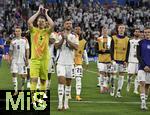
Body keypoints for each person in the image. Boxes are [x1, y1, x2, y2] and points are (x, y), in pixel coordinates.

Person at [27, 5, 54, 106]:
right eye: (39, 21)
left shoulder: (47, 32)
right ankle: (33, 100)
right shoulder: (33, 31)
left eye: (43, 21)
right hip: (34, 60)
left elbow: (52, 25)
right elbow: (29, 22)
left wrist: (46, 14)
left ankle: (42, 99)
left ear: (45, 23)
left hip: (44, 60)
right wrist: (38, 12)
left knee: (43, 80)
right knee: (33, 79)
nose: (41, 22)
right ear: (37, 23)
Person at [55, 17, 79, 110]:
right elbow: (56, 46)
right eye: (67, 23)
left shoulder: (75, 36)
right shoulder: (59, 34)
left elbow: (76, 47)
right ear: (64, 25)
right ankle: (60, 104)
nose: (69, 25)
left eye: (70, 24)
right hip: (60, 62)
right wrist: (62, 39)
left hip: (70, 63)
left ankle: (66, 103)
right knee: (61, 81)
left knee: (68, 83)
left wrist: (68, 40)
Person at [110, 24, 130, 97]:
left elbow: (128, 51)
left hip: (123, 61)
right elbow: (111, 49)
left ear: (124, 29)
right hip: (115, 60)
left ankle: (118, 92)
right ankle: (112, 87)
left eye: (123, 28)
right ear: (118, 29)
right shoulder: (114, 38)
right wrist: (112, 59)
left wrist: (126, 61)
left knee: (121, 76)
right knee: (113, 75)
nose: (121, 29)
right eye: (120, 28)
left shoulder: (127, 39)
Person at [9, 26, 29, 96]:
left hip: (22, 61)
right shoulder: (12, 41)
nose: (17, 32)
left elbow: (27, 50)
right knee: (14, 74)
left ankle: (22, 88)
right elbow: (11, 51)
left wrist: (27, 59)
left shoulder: (25, 40)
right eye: (16, 31)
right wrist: (10, 58)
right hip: (14, 60)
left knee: (23, 76)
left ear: (21, 32)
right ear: (15, 32)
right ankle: (15, 90)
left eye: (18, 31)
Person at [74, 26, 89, 101]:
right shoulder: (71, 39)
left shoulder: (83, 42)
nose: (78, 31)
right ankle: (68, 94)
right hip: (69, 62)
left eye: (79, 29)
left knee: (78, 79)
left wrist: (87, 62)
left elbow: (84, 52)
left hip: (79, 62)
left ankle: (78, 95)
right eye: (76, 29)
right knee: (68, 79)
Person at [137, 27, 150, 110]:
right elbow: (138, 56)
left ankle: (144, 102)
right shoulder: (140, 43)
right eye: (145, 32)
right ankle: (143, 103)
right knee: (142, 83)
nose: (147, 34)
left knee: (147, 86)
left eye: (148, 32)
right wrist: (144, 65)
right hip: (142, 67)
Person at [96, 26, 112, 94]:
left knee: (107, 74)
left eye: (106, 30)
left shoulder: (111, 39)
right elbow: (96, 50)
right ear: (101, 31)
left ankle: (105, 86)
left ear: (108, 31)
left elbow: (112, 49)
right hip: (101, 59)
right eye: (103, 30)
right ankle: (102, 88)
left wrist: (106, 51)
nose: (105, 31)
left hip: (109, 59)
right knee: (102, 73)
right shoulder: (99, 39)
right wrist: (101, 51)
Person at [126, 28, 140, 94]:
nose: (137, 33)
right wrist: (126, 60)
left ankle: (135, 89)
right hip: (131, 60)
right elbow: (127, 50)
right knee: (130, 75)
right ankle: (128, 85)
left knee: (138, 75)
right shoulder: (130, 41)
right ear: (134, 33)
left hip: (139, 61)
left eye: (138, 32)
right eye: (136, 32)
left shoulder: (141, 41)